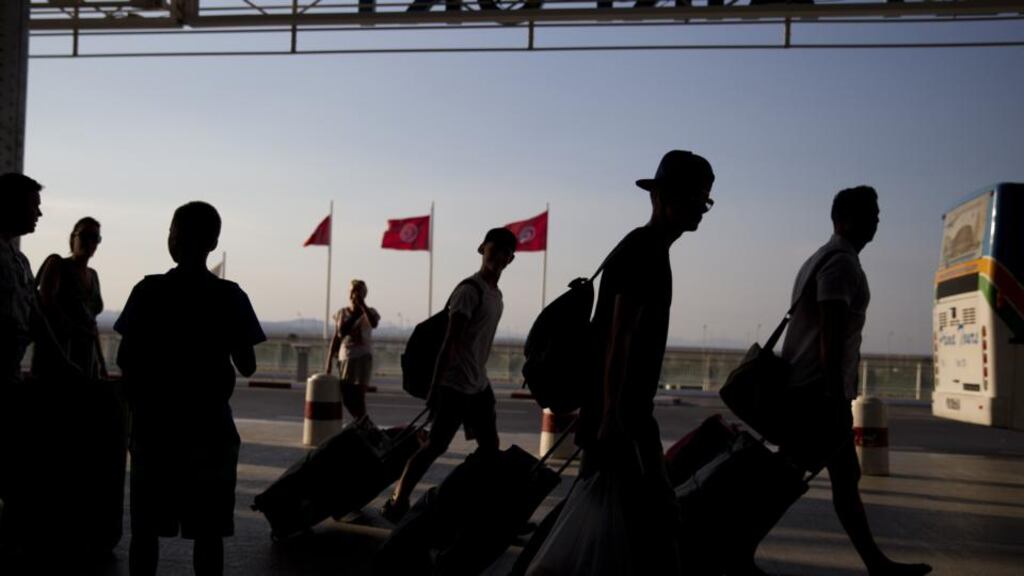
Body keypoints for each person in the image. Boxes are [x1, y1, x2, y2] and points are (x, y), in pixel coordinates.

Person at [778, 186, 931, 576]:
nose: (877, 219)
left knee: (841, 477)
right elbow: (831, 334)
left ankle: (877, 563)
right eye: (869, 213)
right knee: (791, 476)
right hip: (818, 393)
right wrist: (835, 397)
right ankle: (736, 546)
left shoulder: (823, 257)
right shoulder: (841, 265)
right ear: (844, 220)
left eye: (877, 213)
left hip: (813, 390)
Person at [576, 150, 714, 572]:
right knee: (657, 518)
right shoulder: (646, 252)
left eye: (706, 201)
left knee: (594, 517)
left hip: (622, 412)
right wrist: (613, 414)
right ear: (664, 197)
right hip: (625, 417)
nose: (701, 211)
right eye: (696, 199)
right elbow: (621, 337)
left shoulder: (644, 247)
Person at [115, 201, 265, 576]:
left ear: (173, 239)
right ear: (213, 243)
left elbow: (125, 360)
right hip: (210, 429)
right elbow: (247, 365)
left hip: (155, 427)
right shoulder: (230, 295)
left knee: (146, 531)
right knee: (208, 535)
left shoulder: (148, 291)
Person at [381, 227, 517, 523]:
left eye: (505, 252)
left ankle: (487, 511)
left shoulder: (496, 295)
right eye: (494, 248)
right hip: (454, 385)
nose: (498, 256)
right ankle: (398, 499)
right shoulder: (470, 291)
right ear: (482, 249)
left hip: (478, 384)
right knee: (435, 446)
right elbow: (450, 342)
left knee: (490, 448)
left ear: (511, 259)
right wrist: (435, 387)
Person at [32, 217, 107, 380]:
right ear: (73, 237)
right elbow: (47, 307)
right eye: (85, 235)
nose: (90, 242)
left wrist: (101, 363)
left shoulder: (93, 275)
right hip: (58, 359)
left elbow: (92, 324)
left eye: (95, 238)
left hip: (86, 360)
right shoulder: (57, 264)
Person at [326, 279, 380, 420]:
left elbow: (373, 323)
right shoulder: (342, 313)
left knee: (358, 395)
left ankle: (363, 423)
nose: (355, 294)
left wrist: (362, 306)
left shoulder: (370, 312)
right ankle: (362, 421)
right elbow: (337, 337)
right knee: (347, 396)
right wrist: (329, 361)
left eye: (359, 291)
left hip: (362, 358)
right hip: (345, 358)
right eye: (352, 290)